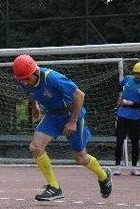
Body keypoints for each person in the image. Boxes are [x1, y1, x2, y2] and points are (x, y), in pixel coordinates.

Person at [12, 54, 112, 201]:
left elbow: (80, 95)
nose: (25, 82)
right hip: (52, 116)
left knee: (80, 158)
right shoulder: (24, 79)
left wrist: (72, 121)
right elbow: (30, 91)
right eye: (22, 80)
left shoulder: (52, 78)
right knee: (35, 147)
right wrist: (35, 105)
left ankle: (103, 176)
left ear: (35, 71)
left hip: (72, 114)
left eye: (27, 79)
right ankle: (54, 187)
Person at [113, 62, 140, 176]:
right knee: (119, 141)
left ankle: (134, 168)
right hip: (122, 115)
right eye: (135, 73)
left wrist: (129, 102)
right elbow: (119, 86)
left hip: (135, 117)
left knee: (135, 143)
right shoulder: (127, 79)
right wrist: (120, 97)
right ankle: (118, 167)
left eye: (139, 73)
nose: (137, 75)